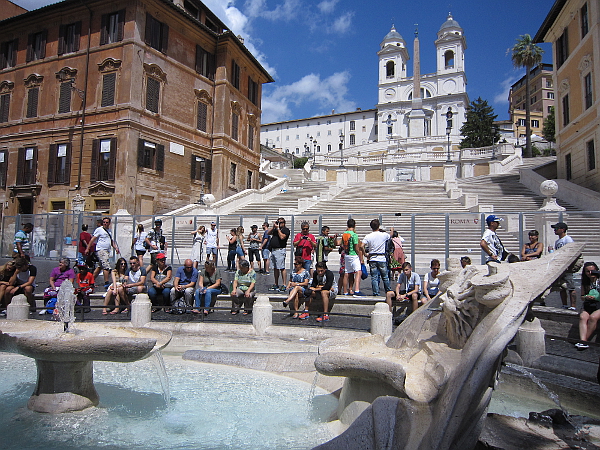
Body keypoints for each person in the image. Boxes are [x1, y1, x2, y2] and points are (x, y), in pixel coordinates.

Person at [86, 217, 120, 288]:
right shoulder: (99, 230)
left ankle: (90, 281)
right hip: (101, 250)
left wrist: (116, 248)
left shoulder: (109, 231)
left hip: (107, 251)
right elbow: (92, 239)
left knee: (100, 267)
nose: (105, 223)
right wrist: (88, 248)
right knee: (106, 266)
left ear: (109, 223)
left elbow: (111, 241)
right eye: (104, 222)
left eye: (107, 222)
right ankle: (106, 282)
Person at [362, 218, 393, 297]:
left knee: (374, 277)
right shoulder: (383, 235)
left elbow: (362, 245)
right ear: (379, 226)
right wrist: (391, 230)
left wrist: (365, 254)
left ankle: (376, 293)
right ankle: (388, 291)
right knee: (385, 276)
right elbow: (391, 235)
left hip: (372, 257)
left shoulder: (368, 236)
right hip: (381, 257)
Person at [552, 222, 577, 310]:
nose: (554, 230)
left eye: (556, 229)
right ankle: (564, 304)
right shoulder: (557, 241)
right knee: (562, 287)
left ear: (562, 229)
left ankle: (573, 306)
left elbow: (571, 251)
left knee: (571, 286)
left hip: (567, 266)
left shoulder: (568, 239)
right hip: (560, 266)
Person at [576, 262, 600, 350]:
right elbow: (582, 297)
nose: (590, 273)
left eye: (592, 271)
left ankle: (584, 341)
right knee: (583, 317)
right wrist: (586, 297)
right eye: (587, 272)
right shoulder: (585, 283)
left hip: (599, 305)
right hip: (589, 304)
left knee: (593, 317)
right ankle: (583, 341)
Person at [340, 218, 365, 296]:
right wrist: (361, 258)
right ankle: (357, 290)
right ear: (354, 225)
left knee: (347, 273)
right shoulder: (354, 235)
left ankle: (345, 291)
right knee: (358, 271)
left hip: (346, 255)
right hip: (353, 255)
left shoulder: (344, 234)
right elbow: (357, 248)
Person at [268, 217, 290, 292]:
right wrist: (273, 227)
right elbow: (268, 233)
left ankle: (284, 284)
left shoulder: (285, 230)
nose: (279, 224)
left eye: (281, 222)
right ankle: (276, 283)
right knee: (275, 267)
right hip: (273, 250)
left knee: (281, 267)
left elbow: (282, 237)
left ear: (284, 223)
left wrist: (278, 229)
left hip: (280, 250)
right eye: (278, 222)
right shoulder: (275, 229)